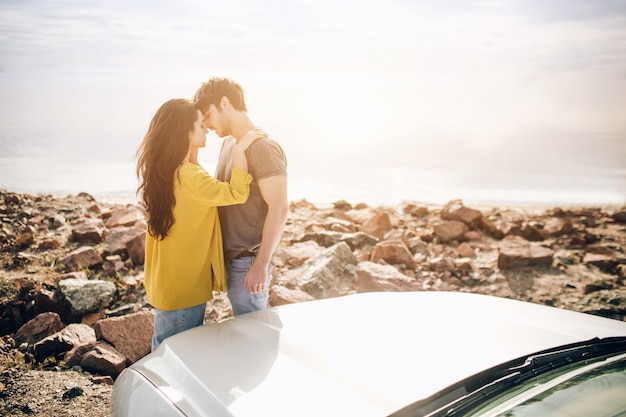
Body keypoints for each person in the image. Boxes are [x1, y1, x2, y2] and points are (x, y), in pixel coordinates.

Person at [136, 98, 263, 351]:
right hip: (185, 288)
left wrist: (190, 151)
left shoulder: (168, 170)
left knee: (164, 350)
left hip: (168, 284)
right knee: (179, 357)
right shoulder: (190, 176)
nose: (206, 128)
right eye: (200, 124)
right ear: (184, 132)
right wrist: (240, 150)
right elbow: (237, 193)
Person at [194, 77, 288, 316]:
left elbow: (280, 208)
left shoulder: (263, 147)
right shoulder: (229, 144)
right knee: (246, 334)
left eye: (208, 114)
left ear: (224, 103)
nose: (206, 124)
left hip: (250, 263)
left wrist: (261, 265)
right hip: (232, 260)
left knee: (254, 339)